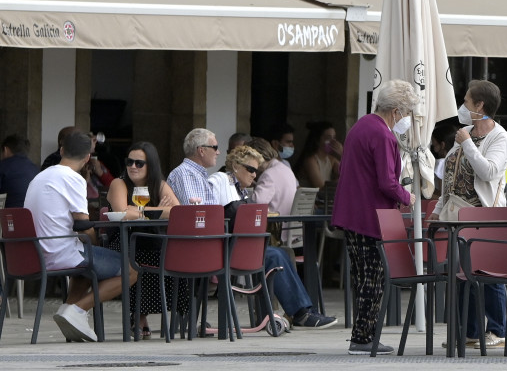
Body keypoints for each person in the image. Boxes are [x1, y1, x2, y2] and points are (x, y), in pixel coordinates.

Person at [169, 140, 337, 331]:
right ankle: (300, 313)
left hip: (237, 246)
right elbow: (218, 216)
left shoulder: (239, 189)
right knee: (275, 255)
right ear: (235, 166)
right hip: (223, 249)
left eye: (256, 171)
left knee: (280, 254)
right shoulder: (220, 181)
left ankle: (299, 311)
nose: (254, 175)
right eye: (250, 169)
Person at [23, 131, 138, 342]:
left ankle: (70, 310)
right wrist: (94, 245)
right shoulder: (72, 178)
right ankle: (76, 310)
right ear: (88, 158)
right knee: (131, 270)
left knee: (84, 267)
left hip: (35, 253)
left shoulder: (39, 177)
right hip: (59, 252)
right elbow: (83, 224)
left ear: (61, 150)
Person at [332, 79, 420, 355]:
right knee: (374, 277)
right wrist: (408, 197)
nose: (406, 119)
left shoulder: (362, 125)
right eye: (406, 113)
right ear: (396, 111)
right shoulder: (382, 134)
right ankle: (362, 338)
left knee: (362, 276)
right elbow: (386, 182)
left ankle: (362, 334)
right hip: (371, 216)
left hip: (352, 213)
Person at [431, 79, 507, 350]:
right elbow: (450, 177)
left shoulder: (499, 136)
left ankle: (498, 330)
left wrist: (467, 144)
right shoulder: (464, 132)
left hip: (484, 215)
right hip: (458, 216)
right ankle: (470, 331)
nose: (462, 107)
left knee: (487, 273)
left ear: (480, 105)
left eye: (466, 102)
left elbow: (489, 171)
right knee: (462, 273)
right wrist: (438, 211)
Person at [106, 141, 183, 338]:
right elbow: (122, 212)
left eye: (139, 163)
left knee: (169, 256)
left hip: (151, 239)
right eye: (129, 162)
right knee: (143, 256)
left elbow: (177, 211)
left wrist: (140, 210)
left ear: (151, 166)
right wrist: (159, 210)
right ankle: (139, 316)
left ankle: (145, 314)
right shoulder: (119, 183)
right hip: (124, 240)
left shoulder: (159, 184)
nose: (133, 166)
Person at [296, 122, 343, 189]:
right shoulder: (310, 160)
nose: (333, 141)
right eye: (328, 138)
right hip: (309, 198)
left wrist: (342, 155)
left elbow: (349, 173)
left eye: (334, 137)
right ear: (317, 140)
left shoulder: (331, 159)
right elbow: (321, 187)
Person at [0, 133, 40, 208]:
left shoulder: (3, 166)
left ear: (6, 150)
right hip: (31, 216)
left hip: (8, 216)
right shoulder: (36, 169)